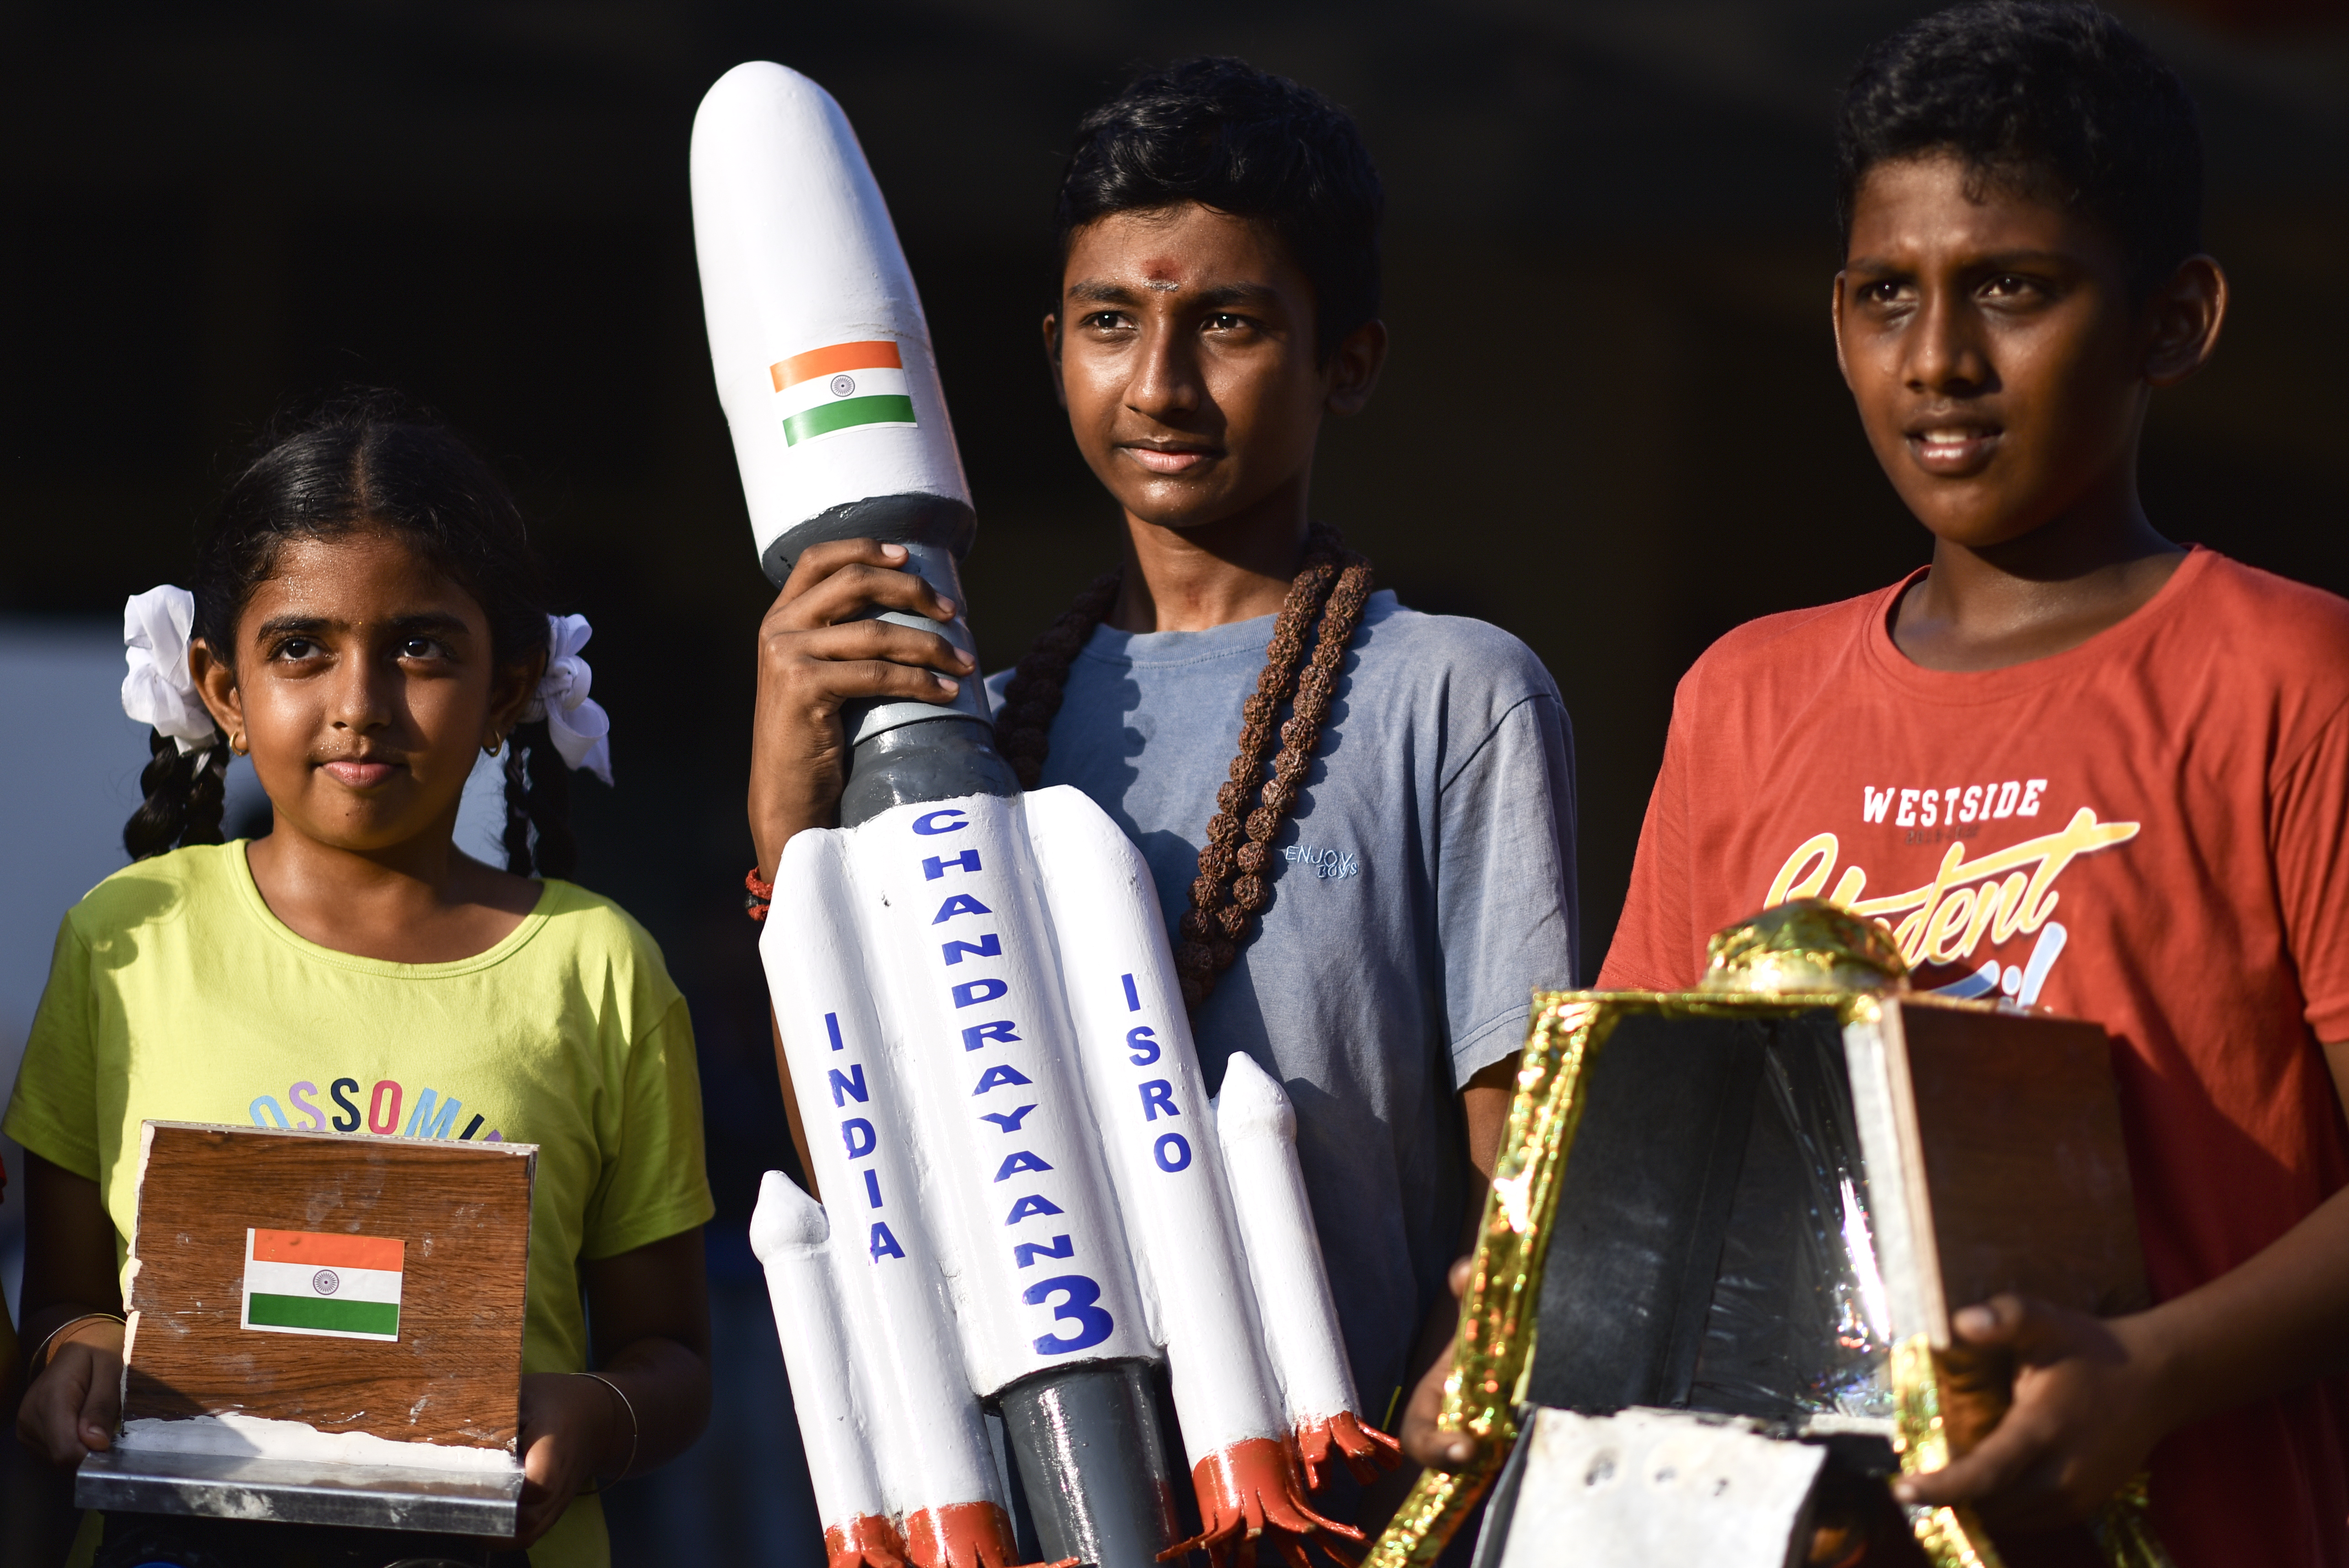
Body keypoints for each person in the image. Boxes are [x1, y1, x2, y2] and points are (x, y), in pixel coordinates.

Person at [1564, 5, 2346, 1563]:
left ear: (2169, 320)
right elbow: (1636, 1185)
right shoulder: (1743, 698)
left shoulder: (2285, 678)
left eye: (2011, 289)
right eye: (1881, 296)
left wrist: (2146, 1373)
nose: (1935, 362)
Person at [745, 57, 1579, 1520]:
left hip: (1349, 1495)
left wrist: (1450, 1446)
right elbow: (882, 1165)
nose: (1159, 384)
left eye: (1232, 324)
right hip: (1038, 1498)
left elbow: (1525, 1172)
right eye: (1110, 323)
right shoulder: (975, 738)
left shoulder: (1451, 692)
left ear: (1351, 360)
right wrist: (790, 832)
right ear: (1053, 345)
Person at [6, 394, 716, 1568]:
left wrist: (594, 1414)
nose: (360, 703)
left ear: (509, 685)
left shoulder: (598, 969)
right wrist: (71, 1358)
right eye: (301, 647)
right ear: (222, 687)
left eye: (422, 646)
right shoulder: (127, 940)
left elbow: (674, 1359)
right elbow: (61, 1303)